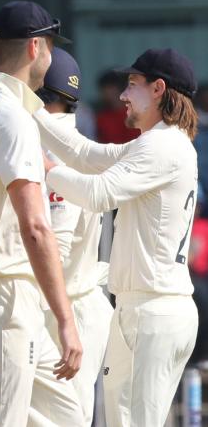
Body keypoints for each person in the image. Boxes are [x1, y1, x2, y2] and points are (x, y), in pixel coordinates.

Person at [39, 48, 199, 427]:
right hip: (142, 307)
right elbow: (88, 155)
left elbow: (98, 193)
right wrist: (25, 110)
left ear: (158, 89)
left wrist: (42, 168)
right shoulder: (158, 142)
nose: (123, 96)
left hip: (155, 309)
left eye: (132, 85)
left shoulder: (163, 145)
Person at [0, 0, 84, 426]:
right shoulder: (12, 118)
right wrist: (65, 319)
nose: (50, 56)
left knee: (67, 415)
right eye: (48, 46)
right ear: (34, 48)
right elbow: (36, 227)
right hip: (3, 294)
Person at [33, 47, 113, 426]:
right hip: (68, 307)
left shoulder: (53, 149)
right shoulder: (74, 139)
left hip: (64, 309)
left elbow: (57, 251)